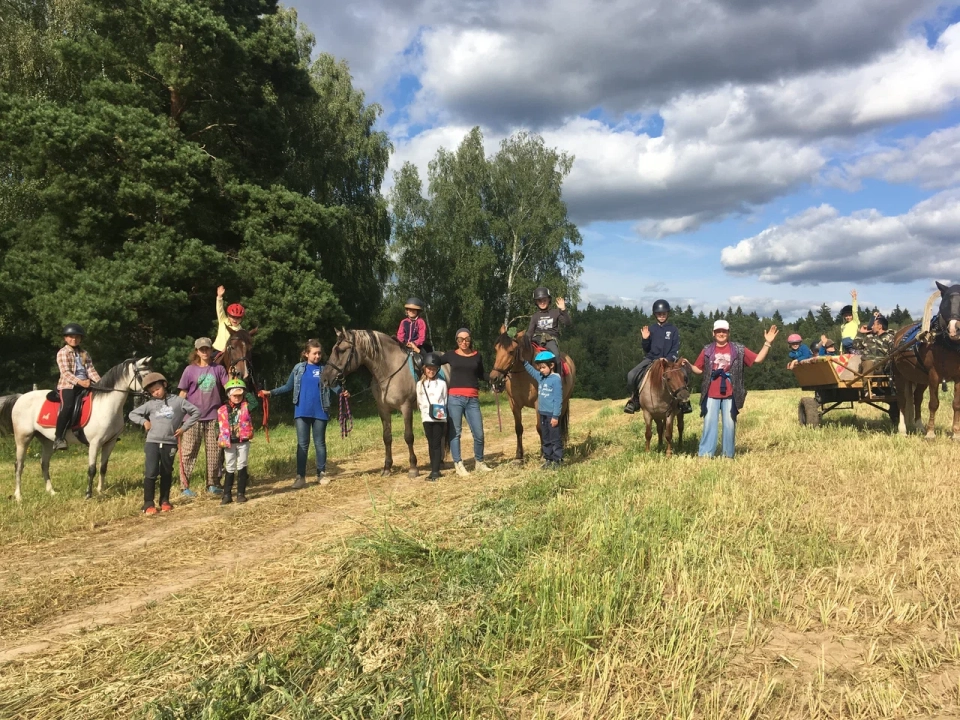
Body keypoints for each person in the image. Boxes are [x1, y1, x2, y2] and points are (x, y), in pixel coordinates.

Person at [682, 319, 778, 459]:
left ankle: (728, 455)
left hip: (731, 393)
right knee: (709, 424)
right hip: (711, 393)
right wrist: (689, 365)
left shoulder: (739, 349)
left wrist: (767, 343)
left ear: (728, 333)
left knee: (729, 425)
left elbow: (758, 359)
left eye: (724, 331)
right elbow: (698, 369)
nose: (721, 334)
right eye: (718, 331)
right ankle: (705, 455)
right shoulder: (707, 350)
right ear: (713, 333)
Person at [261, 339, 346, 489]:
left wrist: (342, 393)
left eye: (319, 353)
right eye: (314, 353)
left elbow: (333, 386)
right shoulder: (298, 368)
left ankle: (321, 474)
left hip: (321, 410)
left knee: (320, 443)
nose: (317, 356)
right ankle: (300, 477)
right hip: (301, 411)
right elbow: (288, 387)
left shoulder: (325, 369)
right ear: (306, 354)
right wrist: (271, 393)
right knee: (302, 445)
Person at [129, 372, 200, 515]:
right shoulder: (150, 404)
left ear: (164, 385)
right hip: (152, 442)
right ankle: (148, 503)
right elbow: (132, 414)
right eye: (152, 392)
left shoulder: (178, 401)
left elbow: (196, 412)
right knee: (151, 472)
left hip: (170, 443)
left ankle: (165, 501)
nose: (155, 393)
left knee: (166, 472)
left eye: (157, 389)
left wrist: (184, 428)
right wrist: (144, 421)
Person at [176, 337, 229, 497]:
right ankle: (184, 486)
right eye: (202, 349)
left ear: (211, 350)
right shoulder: (189, 370)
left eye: (207, 349)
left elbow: (228, 387)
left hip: (214, 417)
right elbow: (183, 393)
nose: (205, 352)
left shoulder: (219, 369)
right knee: (188, 453)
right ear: (197, 352)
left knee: (214, 453)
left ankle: (212, 484)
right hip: (192, 418)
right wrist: (176, 415)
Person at [438, 328, 493, 477]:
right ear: (457, 340)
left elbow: (481, 374)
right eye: (460, 339)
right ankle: (458, 464)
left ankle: (479, 462)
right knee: (455, 433)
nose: (464, 342)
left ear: (470, 340)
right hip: (455, 399)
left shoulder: (477, 355)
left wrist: (494, 377)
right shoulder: (451, 355)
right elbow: (434, 362)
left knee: (479, 433)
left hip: (472, 400)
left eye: (467, 339)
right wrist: (419, 351)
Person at [624, 299, 684, 414]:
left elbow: (675, 348)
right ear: (655, 315)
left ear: (668, 314)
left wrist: (668, 359)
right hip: (651, 359)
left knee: (684, 374)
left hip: (669, 361)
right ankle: (635, 400)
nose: (661, 316)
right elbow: (646, 349)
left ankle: (683, 401)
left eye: (664, 313)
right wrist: (645, 339)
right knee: (631, 375)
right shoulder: (651, 329)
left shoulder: (673, 330)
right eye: (659, 314)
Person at [53, 323, 102, 451]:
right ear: (65, 338)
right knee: (68, 406)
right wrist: (81, 382)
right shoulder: (63, 353)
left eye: (77, 337)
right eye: (71, 337)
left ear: (81, 339)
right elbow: (65, 372)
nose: (74, 339)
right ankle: (58, 438)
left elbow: (91, 370)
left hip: (86, 384)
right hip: (68, 385)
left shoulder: (84, 353)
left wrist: (101, 383)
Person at [523, 350, 564, 469]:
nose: (541, 370)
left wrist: (555, 416)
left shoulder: (555, 379)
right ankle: (548, 459)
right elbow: (531, 371)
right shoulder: (541, 377)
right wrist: (523, 362)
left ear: (551, 366)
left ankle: (557, 460)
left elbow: (558, 399)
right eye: (539, 368)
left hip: (552, 415)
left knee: (554, 438)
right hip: (543, 414)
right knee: (546, 438)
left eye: (543, 367)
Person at [217, 378, 253, 505]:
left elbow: (255, 403)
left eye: (240, 395)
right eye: (234, 395)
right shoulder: (222, 409)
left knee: (242, 465)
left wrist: (244, 388)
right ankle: (227, 494)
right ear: (229, 395)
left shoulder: (247, 406)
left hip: (243, 441)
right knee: (230, 466)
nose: (237, 398)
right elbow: (218, 425)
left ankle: (240, 494)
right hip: (229, 443)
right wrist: (219, 437)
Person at [416, 352, 448, 481]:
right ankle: (434, 469)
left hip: (439, 417)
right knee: (431, 443)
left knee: (436, 443)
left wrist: (440, 412)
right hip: (426, 417)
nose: (431, 371)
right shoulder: (419, 384)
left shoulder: (442, 384)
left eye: (434, 369)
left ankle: (435, 471)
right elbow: (420, 401)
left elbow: (444, 399)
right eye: (429, 368)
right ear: (425, 369)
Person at [527, 287, 570, 358]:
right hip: (536, 340)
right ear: (536, 302)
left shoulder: (556, 312)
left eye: (544, 300)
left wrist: (563, 310)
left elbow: (567, 323)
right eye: (539, 301)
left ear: (549, 299)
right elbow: (530, 333)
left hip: (550, 340)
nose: (542, 302)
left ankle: (558, 365)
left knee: (556, 355)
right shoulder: (535, 316)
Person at [214, 285, 245, 353]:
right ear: (228, 316)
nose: (235, 320)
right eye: (233, 317)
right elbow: (220, 309)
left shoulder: (240, 331)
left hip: (231, 353)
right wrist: (219, 297)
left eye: (238, 318)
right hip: (217, 351)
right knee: (207, 359)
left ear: (241, 319)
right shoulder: (223, 320)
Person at [840, 289, 859, 353]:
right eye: (846, 316)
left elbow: (854, 311)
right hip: (846, 347)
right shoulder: (843, 326)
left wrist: (854, 299)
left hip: (853, 344)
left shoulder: (855, 321)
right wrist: (841, 350)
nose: (848, 317)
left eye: (849, 315)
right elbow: (842, 338)